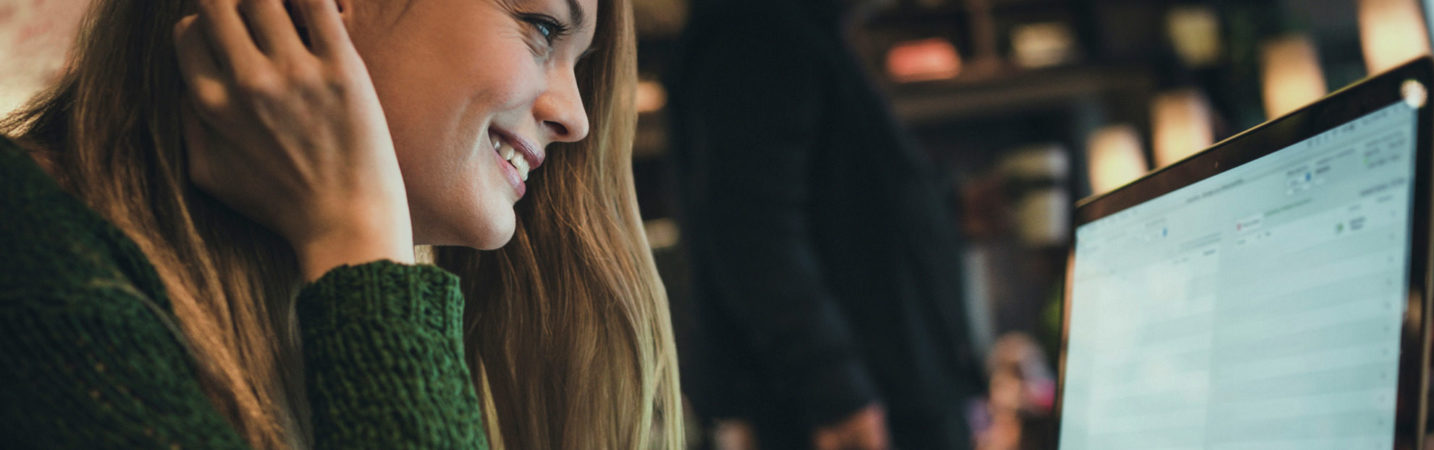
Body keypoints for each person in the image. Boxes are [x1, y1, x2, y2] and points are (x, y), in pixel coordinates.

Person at [0, 0, 683, 448]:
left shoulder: (279, 303)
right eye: (541, 27)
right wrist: (363, 248)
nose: (576, 116)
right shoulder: (36, 269)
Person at [666, 0, 984, 448]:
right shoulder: (757, 31)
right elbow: (753, 233)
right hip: (860, 420)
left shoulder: (795, 33)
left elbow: (844, 210)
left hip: (882, 403)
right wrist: (836, 390)